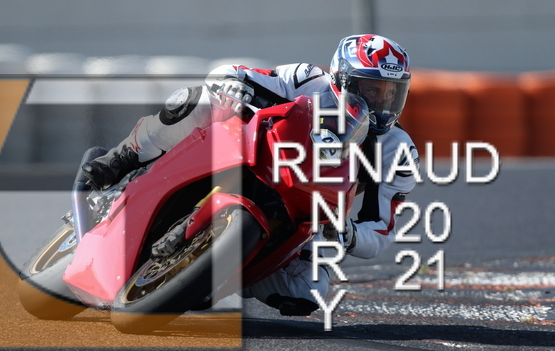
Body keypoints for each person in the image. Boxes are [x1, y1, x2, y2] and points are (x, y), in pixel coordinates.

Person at [82, 34, 419, 316]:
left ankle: (212, 275)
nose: (381, 102)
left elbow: (382, 229)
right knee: (200, 101)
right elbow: (232, 73)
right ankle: (121, 159)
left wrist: (349, 234)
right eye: (371, 89)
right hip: (254, 154)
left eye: (392, 93)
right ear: (341, 79)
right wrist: (234, 87)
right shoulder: (305, 80)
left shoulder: (398, 150)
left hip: (306, 209)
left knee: (305, 291)